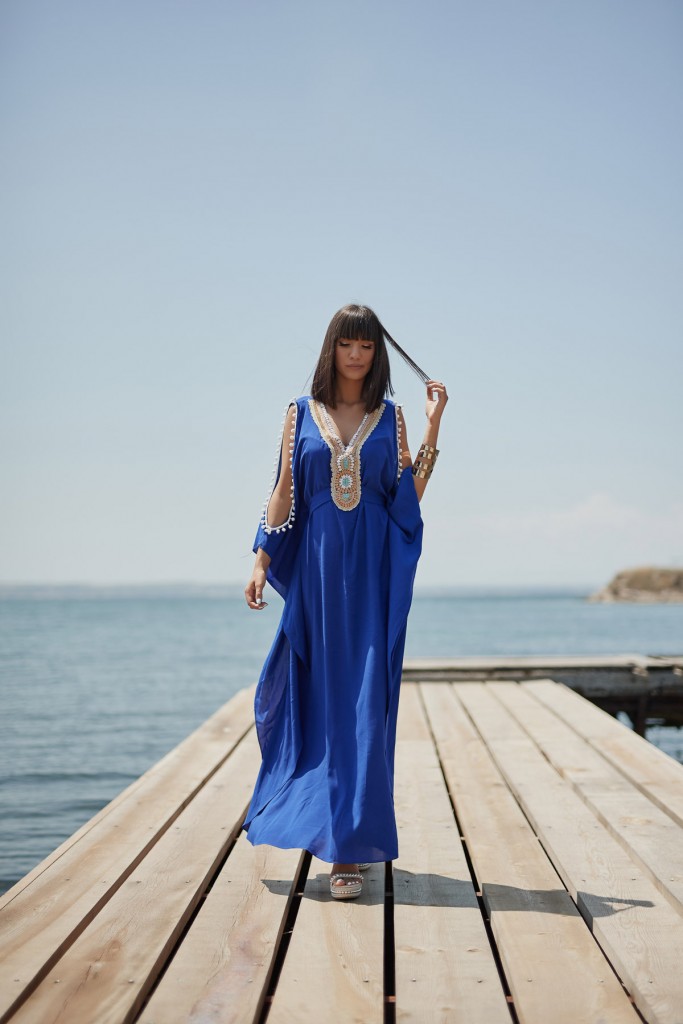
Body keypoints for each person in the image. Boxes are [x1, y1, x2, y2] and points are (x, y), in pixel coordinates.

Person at [243, 304, 448, 900]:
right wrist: (260, 561)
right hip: (316, 580)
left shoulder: (393, 417)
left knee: (364, 710)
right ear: (330, 349)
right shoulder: (298, 414)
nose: (356, 355)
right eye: (346, 344)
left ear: (377, 354)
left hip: (373, 580)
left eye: (366, 346)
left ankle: (349, 852)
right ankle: (317, 823)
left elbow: (406, 496)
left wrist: (433, 427)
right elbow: (284, 492)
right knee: (316, 704)